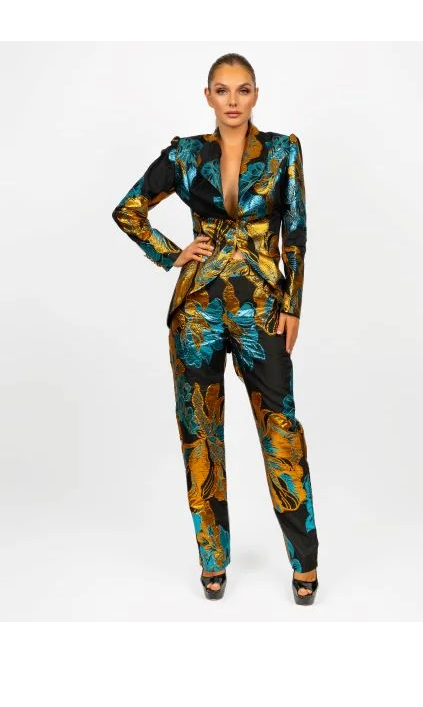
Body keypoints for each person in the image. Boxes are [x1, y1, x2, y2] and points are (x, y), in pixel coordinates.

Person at [112, 53, 319, 605]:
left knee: (281, 431)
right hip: (197, 312)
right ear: (208, 96)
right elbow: (129, 210)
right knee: (201, 436)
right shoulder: (185, 154)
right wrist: (172, 254)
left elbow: (295, 233)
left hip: (263, 311)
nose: (232, 100)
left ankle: (305, 561)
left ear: (256, 95)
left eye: (242, 90)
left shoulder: (282, 151)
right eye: (222, 90)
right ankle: (212, 560)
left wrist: (293, 306)